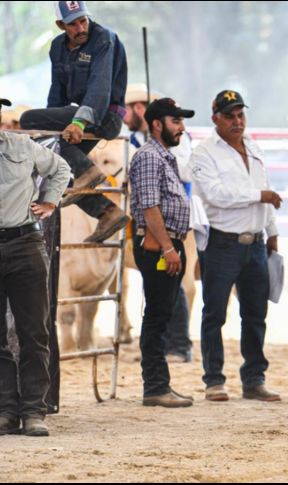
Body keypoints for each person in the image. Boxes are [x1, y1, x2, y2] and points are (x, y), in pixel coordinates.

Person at [191, 90, 282, 403]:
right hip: (222, 242)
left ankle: (254, 379)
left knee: (256, 313)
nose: (237, 121)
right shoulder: (204, 153)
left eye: (240, 114)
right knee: (215, 312)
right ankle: (213, 379)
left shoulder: (253, 147)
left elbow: (266, 186)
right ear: (215, 118)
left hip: (255, 241)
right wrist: (260, 196)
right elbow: (215, 194)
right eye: (229, 115)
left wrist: (271, 231)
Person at [19, 1, 129, 244]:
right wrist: (48, 135)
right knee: (57, 166)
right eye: (73, 24)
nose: (81, 28)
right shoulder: (57, 46)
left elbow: (100, 88)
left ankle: (86, 170)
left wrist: (78, 123)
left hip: (105, 116)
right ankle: (107, 212)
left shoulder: (103, 39)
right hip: (79, 116)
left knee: (27, 119)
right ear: (61, 25)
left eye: (83, 20)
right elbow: (56, 93)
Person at [0, 97, 72, 436]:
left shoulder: (21, 144)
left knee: (34, 331)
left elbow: (61, 168)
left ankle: (33, 411)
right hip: (19, 245)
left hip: (25, 242)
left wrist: (49, 201)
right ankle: (6, 410)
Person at [128, 98, 195, 408]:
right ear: (158, 124)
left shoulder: (162, 156)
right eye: (176, 121)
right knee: (157, 316)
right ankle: (155, 386)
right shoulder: (150, 158)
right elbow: (149, 205)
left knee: (161, 313)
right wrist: (168, 247)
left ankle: (159, 383)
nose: (181, 127)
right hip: (159, 243)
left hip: (167, 242)